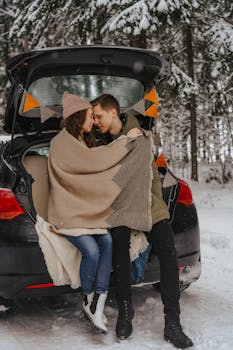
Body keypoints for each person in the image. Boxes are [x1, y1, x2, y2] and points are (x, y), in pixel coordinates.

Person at [91, 93, 194, 349]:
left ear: (113, 112)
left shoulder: (140, 132)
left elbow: (130, 175)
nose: (95, 121)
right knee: (119, 250)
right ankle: (126, 310)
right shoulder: (98, 141)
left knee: (169, 255)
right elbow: (103, 180)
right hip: (120, 206)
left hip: (149, 203)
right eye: (93, 118)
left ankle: (173, 323)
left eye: (98, 116)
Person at [48, 92, 112, 333]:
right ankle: (87, 298)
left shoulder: (87, 143)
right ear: (77, 117)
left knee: (107, 240)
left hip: (86, 210)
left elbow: (92, 176)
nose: (94, 121)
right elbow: (69, 182)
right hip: (67, 212)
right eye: (89, 116)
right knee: (92, 251)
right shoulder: (60, 143)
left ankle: (99, 300)